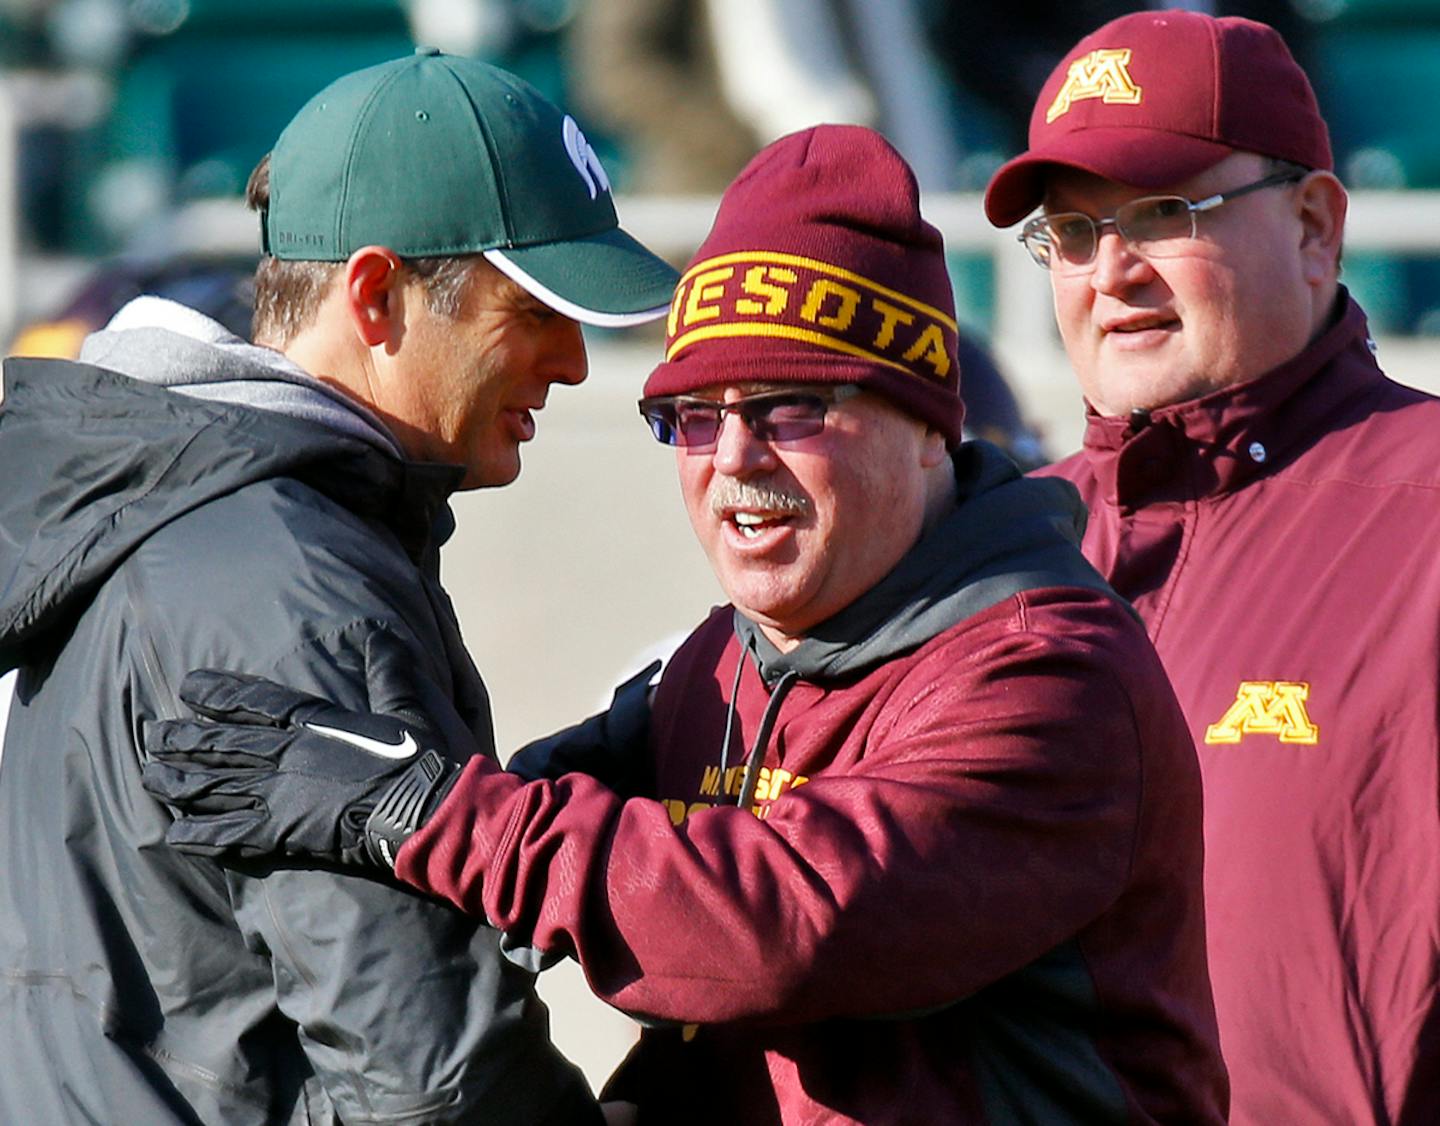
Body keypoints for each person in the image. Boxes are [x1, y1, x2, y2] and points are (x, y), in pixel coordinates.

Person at [144, 124, 1229, 1124]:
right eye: (694, 418)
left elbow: (777, 927)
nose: (735, 462)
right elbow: (619, 914)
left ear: (926, 424)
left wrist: (428, 811)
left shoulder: (1045, 674)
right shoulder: (728, 659)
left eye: (791, 408)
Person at [0, 49, 678, 1124]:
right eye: (534, 309)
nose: (577, 362)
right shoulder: (293, 582)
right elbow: (429, 1085)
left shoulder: (168, 516)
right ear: (374, 294)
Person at [982, 10, 1440, 1123]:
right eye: (1072, 233)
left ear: (1316, 226)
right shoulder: (997, 548)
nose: (1112, 270)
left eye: (1161, 213)